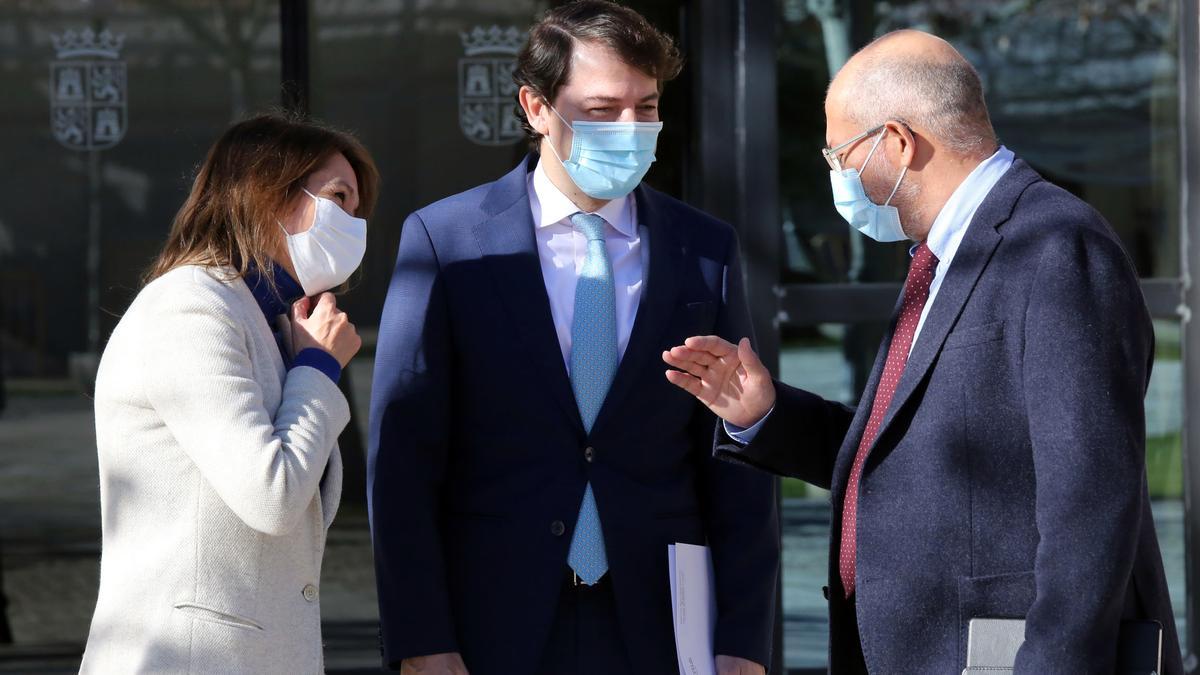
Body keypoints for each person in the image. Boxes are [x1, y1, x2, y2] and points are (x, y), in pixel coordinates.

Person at [664, 29, 1183, 675]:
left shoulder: (1051, 247)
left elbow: (1091, 505)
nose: (838, 175)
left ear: (898, 141)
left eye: (840, 155)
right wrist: (766, 413)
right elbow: (912, 458)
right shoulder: (942, 256)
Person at [367, 2, 779, 674]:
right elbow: (404, 461)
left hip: (656, 625)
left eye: (646, 107)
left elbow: (733, 459)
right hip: (492, 623)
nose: (632, 128)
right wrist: (420, 636)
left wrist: (742, 640)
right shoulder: (448, 242)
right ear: (536, 108)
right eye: (602, 108)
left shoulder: (704, 248)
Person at [79, 112, 379, 674]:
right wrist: (317, 367)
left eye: (357, 208)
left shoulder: (263, 319)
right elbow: (273, 495)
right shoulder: (191, 306)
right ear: (267, 192)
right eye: (338, 196)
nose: (352, 223)